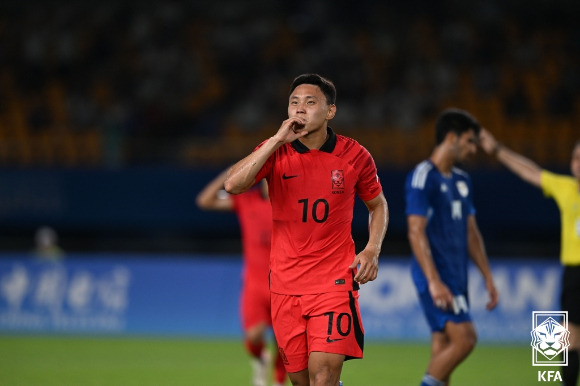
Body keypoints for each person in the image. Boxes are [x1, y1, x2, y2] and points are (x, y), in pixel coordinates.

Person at [224, 73, 389, 386]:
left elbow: (378, 205)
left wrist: (372, 249)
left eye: (310, 103)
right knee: (301, 381)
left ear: (330, 111)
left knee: (323, 377)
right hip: (285, 285)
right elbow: (233, 184)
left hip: (334, 282)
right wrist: (275, 141)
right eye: (294, 103)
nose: (300, 109)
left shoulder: (355, 156)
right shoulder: (275, 151)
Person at [405, 108, 499, 386]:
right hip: (436, 276)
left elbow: (471, 233)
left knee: (443, 347)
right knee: (466, 338)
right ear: (451, 138)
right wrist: (434, 281)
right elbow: (415, 230)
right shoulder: (423, 177)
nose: (474, 149)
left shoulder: (462, 181)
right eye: (470, 141)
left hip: (457, 277)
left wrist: (488, 276)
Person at [479, 129, 580, 386]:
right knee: (569, 338)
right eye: (575, 158)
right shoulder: (567, 188)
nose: (578, 164)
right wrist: (497, 149)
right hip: (574, 274)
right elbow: (531, 172)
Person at [196, 170, 287, 386]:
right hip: (255, 285)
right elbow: (204, 201)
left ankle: (278, 380)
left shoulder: (291, 205)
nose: (270, 183)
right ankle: (260, 359)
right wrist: (228, 174)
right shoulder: (246, 201)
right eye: (267, 178)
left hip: (283, 285)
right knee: (254, 336)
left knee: (284, 343)